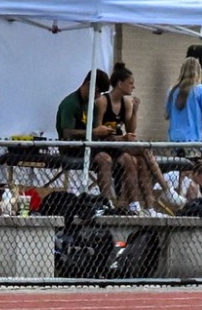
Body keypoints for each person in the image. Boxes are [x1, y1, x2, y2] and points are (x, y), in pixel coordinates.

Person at [97, 64, 164, 214]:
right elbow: (97, 131)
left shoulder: (126, 102)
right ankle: (166, 188)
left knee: (137, 161)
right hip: (105, 145)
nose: (133, 87)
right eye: (131, 83)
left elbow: (131, 129)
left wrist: (135, 111)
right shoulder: (103, 101)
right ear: (120, 84)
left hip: (119, 144)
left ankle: (145, 206)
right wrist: (121, 138)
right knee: (144, 149)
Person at [56, 69, 117, 204]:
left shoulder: (92, 106)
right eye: (98, 92)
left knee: (127, 158)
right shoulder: (70, 103)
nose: (98, 96)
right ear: (89, 85)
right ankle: (107, 201)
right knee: (104, 159)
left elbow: (95, 131)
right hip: (72, 147)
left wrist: (113, 137)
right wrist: (94, 132)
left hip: (90, 145)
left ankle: (130, 203)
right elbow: (67, 133)